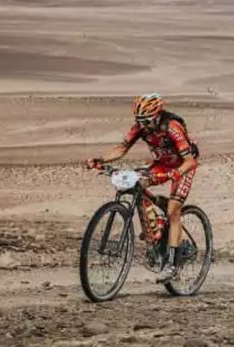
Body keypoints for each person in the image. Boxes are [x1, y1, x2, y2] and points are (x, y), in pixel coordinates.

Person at [85, 93, 199, 281]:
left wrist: (176, 173)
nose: (143, 125)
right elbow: (122, 149)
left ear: (157, 115)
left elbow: (190, 161)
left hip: (182, 166)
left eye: (146, 120)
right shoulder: (139, 127)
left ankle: (172, 264)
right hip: (161, 164)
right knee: (137, 182)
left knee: (173, 211)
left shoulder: (172, 126)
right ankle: (154, 231)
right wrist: (100, 159)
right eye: (139, 120)